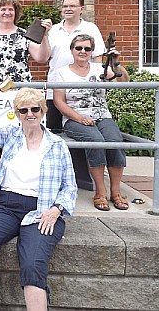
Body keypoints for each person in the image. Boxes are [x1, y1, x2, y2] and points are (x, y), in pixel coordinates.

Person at [0, 87, 77, 311]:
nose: (30, 114)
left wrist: (56, 210)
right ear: (17, 114)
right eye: (23, 110)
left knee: (33, 262)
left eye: (35, 109)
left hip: (42, 208)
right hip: (6, 204)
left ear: (43, 111)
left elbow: (70, 188)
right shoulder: (11, 135)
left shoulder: (57, 145)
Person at [0, 0, 52, 179]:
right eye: (3, 9)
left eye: (11, 9)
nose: (7, 12)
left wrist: (46, 36)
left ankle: (17, 178)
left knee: (20, 134)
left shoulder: (25, 35)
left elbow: (41, 58)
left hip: (20, 93)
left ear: (16, 13)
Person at [53, 34, 130, 211]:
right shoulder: (62, 73)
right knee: (96, 142)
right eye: (78, 48)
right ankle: (100, 191)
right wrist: (79, 118)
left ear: (92, 51)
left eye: (87, 48)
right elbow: (59, 101)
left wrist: (115, 63)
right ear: (72, 50)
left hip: (102, 115)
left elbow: (124, 81)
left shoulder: (99, 69)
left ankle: (116, 192)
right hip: (75, 118)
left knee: (115, 142)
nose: (82, 51)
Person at [46, 0, 105, 132]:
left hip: (84, 93)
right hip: (56, 89)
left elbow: (97, 58)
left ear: (82, 9)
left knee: (85, 132)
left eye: (72, 6)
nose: (68, 9)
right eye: (65, 6)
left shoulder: (91, 29)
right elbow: (45, 57)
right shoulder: (53, 30)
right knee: (55, 134)